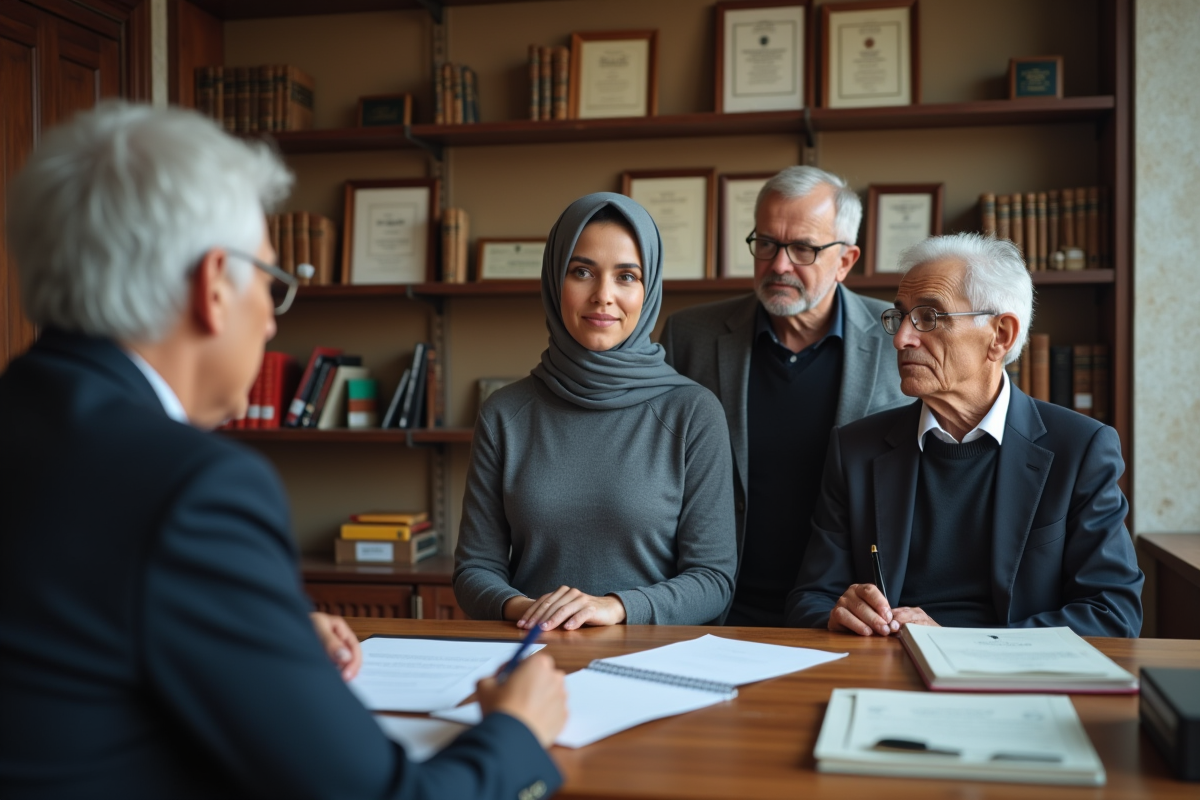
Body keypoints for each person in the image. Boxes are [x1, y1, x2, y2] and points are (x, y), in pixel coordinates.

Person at [0, 101, 567, 799]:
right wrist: (517, 731)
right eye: (271, 284)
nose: (271, 320)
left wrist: (259, 629)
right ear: (214, 286)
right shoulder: (193, 491)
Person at [784, 233, 1143, 637]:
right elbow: (810, 598)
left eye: (929, 317)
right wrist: (839, 613)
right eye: (900, 317)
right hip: (883, 663)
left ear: (1000, 335)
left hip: (1012, 671)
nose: (902, 339)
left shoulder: (1079, 450)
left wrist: (958, 641)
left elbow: (1112, 613)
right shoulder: (855, 449)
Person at [454, 193, 737, 631]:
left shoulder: (694, 413)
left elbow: (713, 580)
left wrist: (615, 607)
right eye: (582, 272)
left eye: (626, 276)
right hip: (534, 649)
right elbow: (474, 570)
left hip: (649, 655)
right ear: (555, 281)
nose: (603, 296)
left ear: (648, 289)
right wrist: (530, 611)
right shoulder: (504, 414)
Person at [660, 166, 908, 626]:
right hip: (717, 609)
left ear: (845, 261)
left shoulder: (899, 340)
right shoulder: (690, 336)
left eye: (803, 249)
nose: (778, 265)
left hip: (849, 614)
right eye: (767, 243)